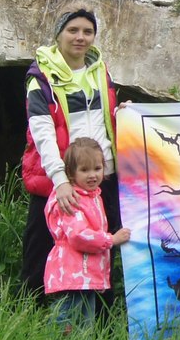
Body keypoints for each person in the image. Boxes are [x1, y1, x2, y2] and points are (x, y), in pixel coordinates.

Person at [21, 8, 121, 303]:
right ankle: (32, 313)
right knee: (41, 247)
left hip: (100, 174)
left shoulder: (101, 71)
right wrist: (60, 179)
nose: (80, 37)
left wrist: (124, 113)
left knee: (104, 245)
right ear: (59, 34)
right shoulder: (40, 76)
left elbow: (106, 118)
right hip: (60, 178)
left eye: (87, 32)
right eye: (73, 30)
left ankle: (101, 319)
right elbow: (41, 131)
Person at [44, 137, 132, 329]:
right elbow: (78, 235)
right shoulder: (73, 199)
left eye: (97, 168)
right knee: (68, 321)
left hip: (86, 274)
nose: (92, 175)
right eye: (84, 170)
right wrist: (111, 239)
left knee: (86, 325)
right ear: (71, 173)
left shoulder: (93, 196)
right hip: (73, 273)